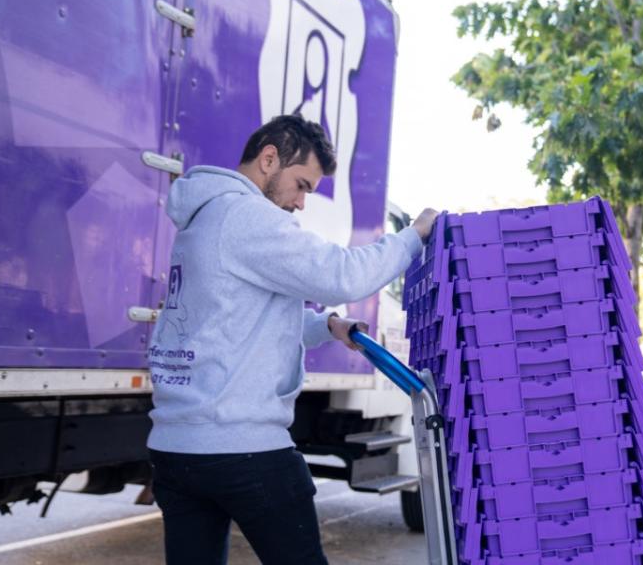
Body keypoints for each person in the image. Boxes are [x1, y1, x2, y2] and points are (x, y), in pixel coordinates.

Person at [145, 115, 438, 565]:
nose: (301, 203)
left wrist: (327, 327)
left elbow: (236, 320)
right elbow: (342, 275)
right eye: (301, 185)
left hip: (177, 450)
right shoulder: (246, 216)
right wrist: (413, 237)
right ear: (269, 159)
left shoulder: (203, 217)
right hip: (243, 449)